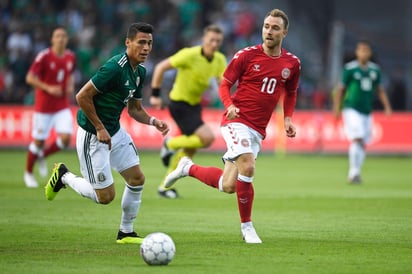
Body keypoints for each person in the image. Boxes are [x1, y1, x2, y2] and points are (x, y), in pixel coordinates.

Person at [162, 9, 300, 243]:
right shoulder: (246, 55)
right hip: (236, 120)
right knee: (248, 167)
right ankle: (247, 228)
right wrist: (229, 105)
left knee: (228, 185)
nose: (269, 31)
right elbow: (225, 84)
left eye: (275, 28)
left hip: (257, 129)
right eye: (266, 26)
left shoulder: (292, 63)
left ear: (284, 32)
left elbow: (291, 91)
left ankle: (187, 168)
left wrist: (287, 117)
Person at [44, 22, 170, 244]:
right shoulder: (114, 68)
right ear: (128, 42)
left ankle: (126, 233)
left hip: (114, 131)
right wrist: (100, 127)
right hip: (93, 135)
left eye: (150, 43)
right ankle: (63, 175)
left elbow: (134, 109)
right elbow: (82, 96)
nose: (146, 48)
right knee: (105, 197)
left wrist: (152, 121)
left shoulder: (140, 72)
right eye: (141, 42)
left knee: (137, 178)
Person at [150, 24, 226, 199]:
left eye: (218, 41)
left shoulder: (219, 59)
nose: (214, 44)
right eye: (211, 40)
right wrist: (155, 94)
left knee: (189, 150)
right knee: (207, 138)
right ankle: (169, 144)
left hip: (194, 106)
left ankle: (165, 187)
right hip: (179, 103)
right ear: (204, 40)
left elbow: (223, 82)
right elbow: (161, 67)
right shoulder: (189, 54)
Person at [333, 40, 392, 184]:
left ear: (370, 53)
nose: (363, 53)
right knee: (358, 138)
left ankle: (356, 172)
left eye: (366, 50)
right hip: (351, 108)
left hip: (367, 110)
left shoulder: (375, 70)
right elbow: (341, 90)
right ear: (357, 52)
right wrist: (337, 108)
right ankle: (353, 172)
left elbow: (380, 89)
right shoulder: (350, 69)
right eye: (360, 50)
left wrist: (387, 106)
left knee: (363, 142)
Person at [24, 26, 75, 188]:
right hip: (44, 107)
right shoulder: (44, 56)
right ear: (52, 39)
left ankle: (42, 156)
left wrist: (70, 86)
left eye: (63, 36)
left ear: (67, 39)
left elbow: (70, 74)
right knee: (38, 141)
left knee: (66, 139)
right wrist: (48, 88)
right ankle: (29, 173)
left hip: (61, 105)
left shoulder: (70, 56)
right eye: (57, 36)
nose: (61, 39)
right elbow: (30, 78)